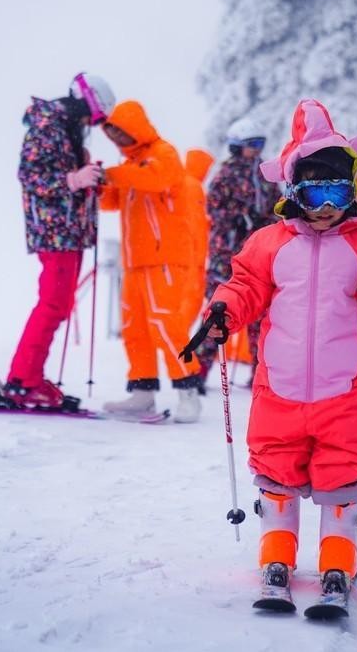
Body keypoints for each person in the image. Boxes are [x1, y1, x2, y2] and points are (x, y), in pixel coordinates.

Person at [201, 99, 357, 610]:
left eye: (338, 192)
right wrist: (223, 312)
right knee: (276, 473)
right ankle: (277, 555)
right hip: (279, 388)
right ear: (295, 192)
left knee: (342, 478)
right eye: (316, 191)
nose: (326, 207)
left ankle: (338, 565)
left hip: (345, 394)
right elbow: (244, 284)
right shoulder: (268, 243)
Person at [1, 73, 115, 409]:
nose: (88, 124)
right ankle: (22, 380)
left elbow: (59, 177)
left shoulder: (64, 129)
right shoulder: (48, 126)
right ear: (84, 101)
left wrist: (87, 176)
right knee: (52, 304)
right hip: (55, 231)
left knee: (60, 304)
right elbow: (31, 176)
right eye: (90, 116)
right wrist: (74, 179)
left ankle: (29, 377)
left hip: (68, 230)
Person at [99, 101, 203, 423]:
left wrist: (113, 174)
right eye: (113, 135)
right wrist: (98, 183)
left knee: (166, 325)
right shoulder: (129, 166)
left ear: (136, 128)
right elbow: (111, 203)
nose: (118, 140)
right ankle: (142, 393)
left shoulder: (163, 154)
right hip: (135, 261)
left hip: (164, 259)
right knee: (135, 328)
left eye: (121, 133)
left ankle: (188, 392)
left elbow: (157, 180)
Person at [195, 117, 280, 392]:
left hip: (257, 255)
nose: (256, 150)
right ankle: (197, 370)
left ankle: (260, 373)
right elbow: (214, 207)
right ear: (236, 147)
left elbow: (277, 207)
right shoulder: (227, 173)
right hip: (227, 252)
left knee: (259, 313)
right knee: (219, 310)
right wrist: (238, 217)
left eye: (260, 144)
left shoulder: (266, 175)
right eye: (251, 145)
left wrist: (266, 223)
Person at [180, 147, 215, 328]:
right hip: (192, 256)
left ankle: (177, 336)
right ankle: (178, 337)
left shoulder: (184, 184)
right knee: (190, 299)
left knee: (185, 299)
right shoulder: (193, 187)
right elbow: (195, 223)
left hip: (188, 254)